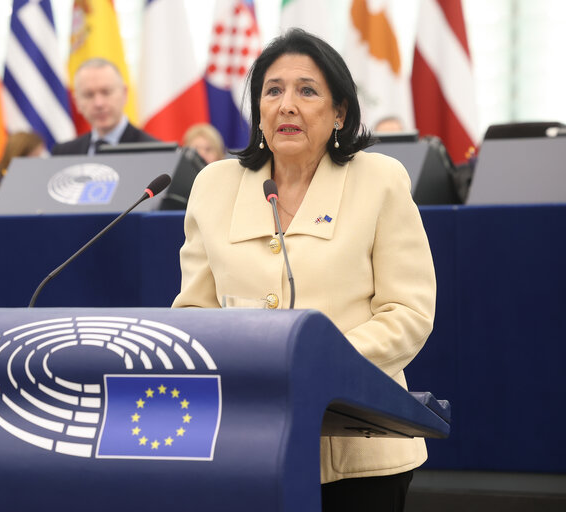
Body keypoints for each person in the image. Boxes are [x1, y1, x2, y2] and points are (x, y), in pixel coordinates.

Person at [171, 29, 436, 511]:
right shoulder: (213, 185)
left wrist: (317, 364)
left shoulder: (379, 180)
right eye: (273, 90)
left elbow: (407, 313)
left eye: (307, 90)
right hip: (248, 445)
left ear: (339, 113)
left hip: (363, 452)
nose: (286, 105)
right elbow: (193, 312)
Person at [51, 58, 157, 155]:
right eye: (89, 95)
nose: (99, 103)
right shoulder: (63, 153)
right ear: (77, 102)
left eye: (106, 92)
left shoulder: (154, 152)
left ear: (124, 94)